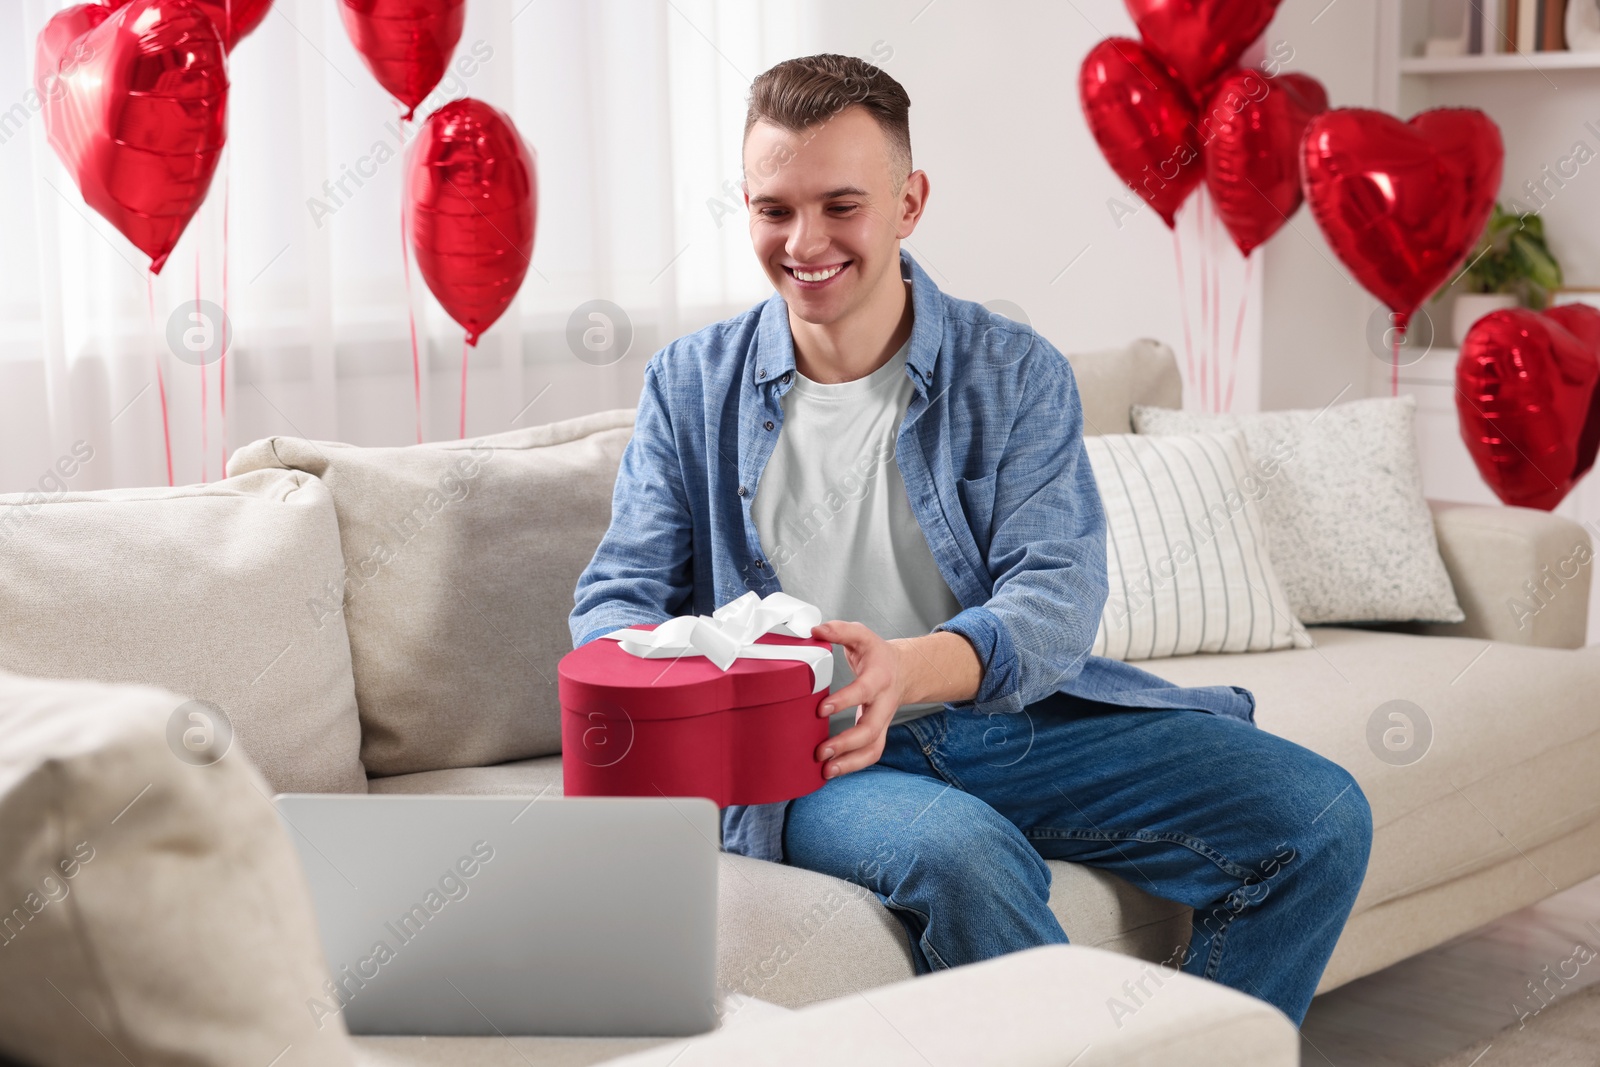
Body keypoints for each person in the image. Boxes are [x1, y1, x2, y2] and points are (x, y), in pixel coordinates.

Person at [569, 53, 1371, 1027]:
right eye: (773, 209)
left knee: (1318, 814)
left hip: (1010, 716)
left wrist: (906, 666)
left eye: (840, 204)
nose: (804, 240)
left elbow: (1056, 594)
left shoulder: (1015, 371)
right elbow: (617, 597)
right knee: (964, 856)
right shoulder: (689, 382)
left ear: (909, 203)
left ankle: (1193, 1052)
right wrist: (687, 694)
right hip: (817, 755)